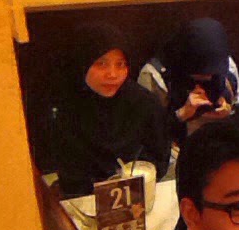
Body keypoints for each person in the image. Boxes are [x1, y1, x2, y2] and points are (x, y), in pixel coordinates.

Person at [53, 22, 170, 198]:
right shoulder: (65, 109)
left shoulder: (144, 103)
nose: (112, 74)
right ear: (82, 63)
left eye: (120, 64)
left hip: (141, 195)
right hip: (84, 199)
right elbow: (71, 177)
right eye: (101, 64)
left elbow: (159, 158)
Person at [138, 18, 239, 143]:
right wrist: (182, 114)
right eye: (202, 72)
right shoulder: (155, 75)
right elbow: (146, 133)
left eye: (213, 73)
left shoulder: (226, 64)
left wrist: (228, 113)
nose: (209, 77)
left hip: (220, 141)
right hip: (175, 144)